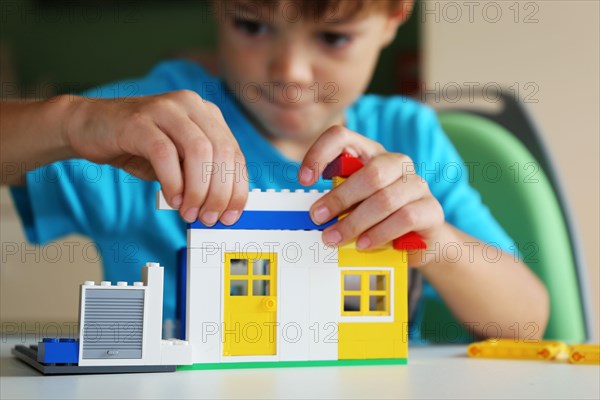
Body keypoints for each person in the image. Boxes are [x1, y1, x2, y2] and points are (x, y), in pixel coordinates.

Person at [1, 0, 548, 340]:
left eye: (333, 37)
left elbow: (525, 322)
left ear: (393, 17)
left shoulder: (410, 138)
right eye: (251, 25)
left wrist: (436, 244)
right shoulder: (150, 130)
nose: (289, 70)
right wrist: (71, 121)